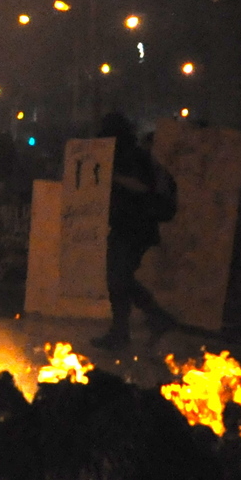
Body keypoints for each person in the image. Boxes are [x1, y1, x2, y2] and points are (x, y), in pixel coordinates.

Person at [93, 112, 179, 351]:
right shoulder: (129, 154)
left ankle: (148, 320)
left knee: (118, 278)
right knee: (118, 279)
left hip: (135, 227)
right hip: (128, 226)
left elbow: (142, 187)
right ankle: (131, 327)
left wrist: (114, 177)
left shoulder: (132, 157)